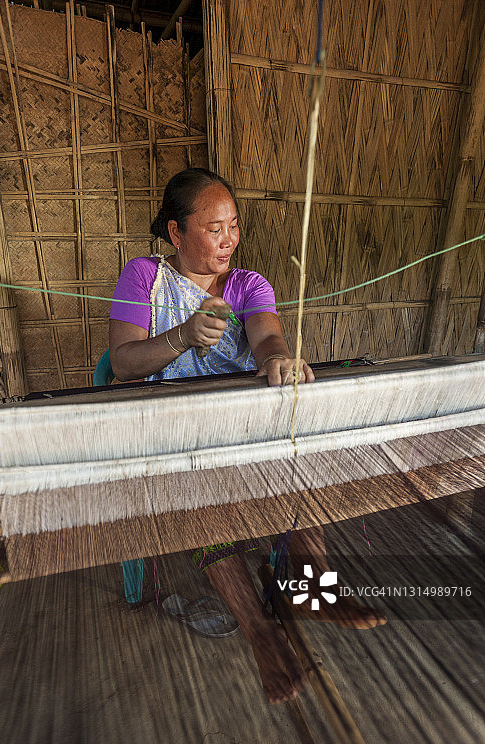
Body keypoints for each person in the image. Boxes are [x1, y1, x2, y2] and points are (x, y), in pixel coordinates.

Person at [110, 168, 386, 705]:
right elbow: (121, 364)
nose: (228, 239)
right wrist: (182, 336)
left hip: (242, 425)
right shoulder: (144, 276)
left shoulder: (249, 285)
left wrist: (278, 358)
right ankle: (260, 633)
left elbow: (267, 337)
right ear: (176, 232)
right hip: (175, 431)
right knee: (203, 504)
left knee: (298, 470)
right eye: (214, 228)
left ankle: (315, 590)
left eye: (233, 226)